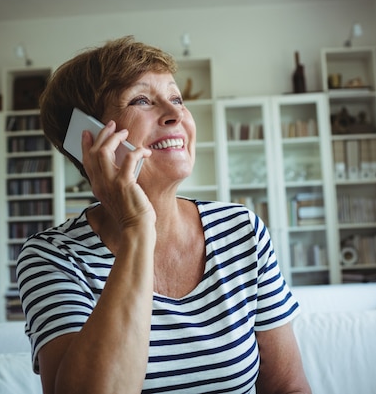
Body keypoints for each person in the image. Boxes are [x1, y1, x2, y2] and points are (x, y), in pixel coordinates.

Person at [16, 35, 312, 394]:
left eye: (176, 99)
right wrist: (138, 231)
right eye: (142, 100)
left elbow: (288, 389)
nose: (176, 115)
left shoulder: (241, 231)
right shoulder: (52, 257)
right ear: (88, 138)